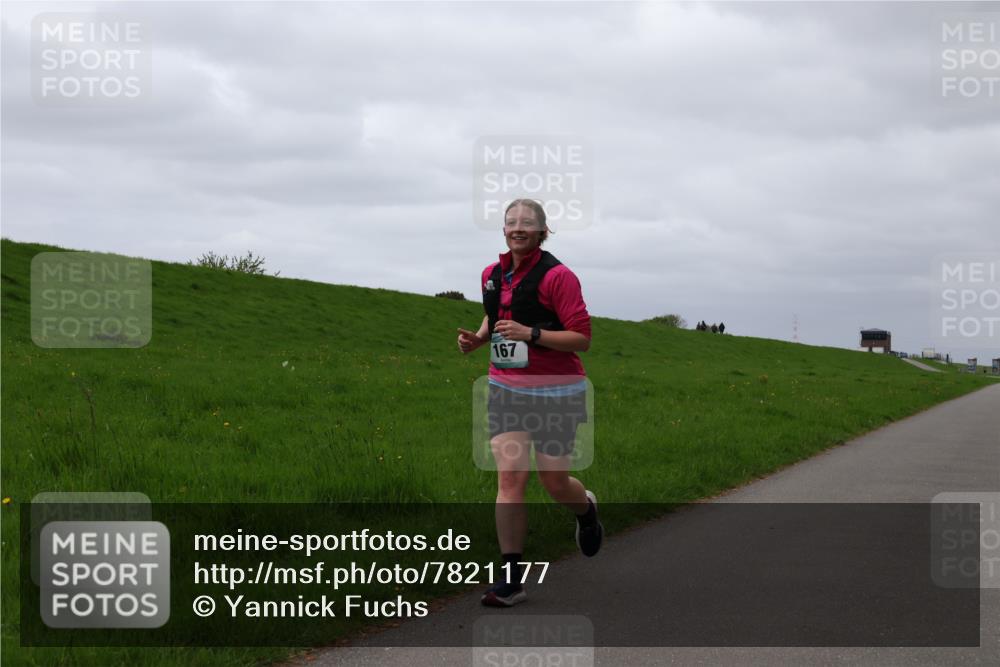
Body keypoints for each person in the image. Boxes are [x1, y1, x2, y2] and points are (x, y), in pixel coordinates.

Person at [456, 198, 603, 608]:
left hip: (557, 390)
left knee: (554, 482)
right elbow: (496, 314)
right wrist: (479, 339)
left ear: (542, 231)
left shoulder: (559, 277)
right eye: (510, 222)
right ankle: (511, 579)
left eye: (527, 223)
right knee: (510, 481)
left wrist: (531, 334)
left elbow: (582, 338)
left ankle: (586, 510)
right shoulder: (492, 274)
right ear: (503, 230)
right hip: (506, 389)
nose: (517, 228)